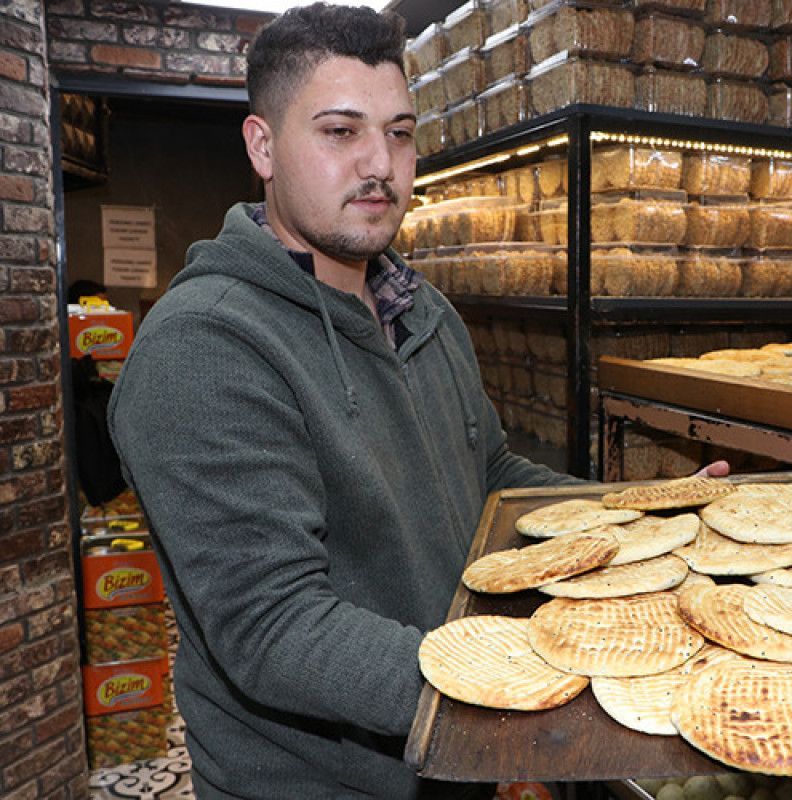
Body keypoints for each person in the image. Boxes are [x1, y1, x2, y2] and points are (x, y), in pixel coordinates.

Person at [107, 5, 580, 796]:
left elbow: (490, 476)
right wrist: (515, 684)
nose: (380, 164)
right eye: (339, 131)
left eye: (400, 133)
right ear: (262, 147)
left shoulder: (422, 311)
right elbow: (274, 626)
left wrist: (643, 518)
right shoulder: (203, 348)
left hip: (446, 754)